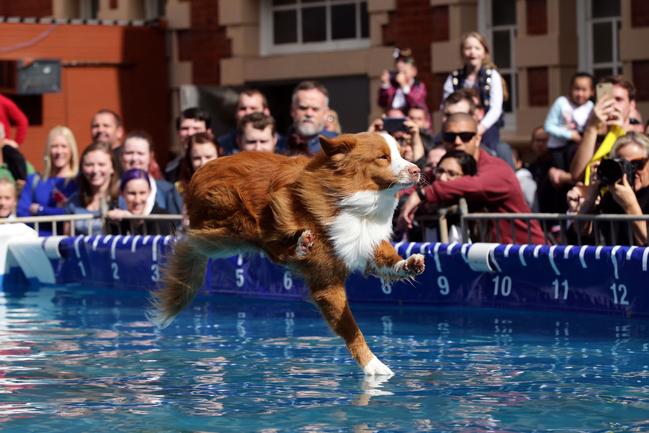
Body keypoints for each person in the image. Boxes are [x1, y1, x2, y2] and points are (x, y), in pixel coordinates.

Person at [398, 113, 545, 244]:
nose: (457, 141)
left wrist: (423, 194)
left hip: (527, 254)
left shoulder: (497, 168)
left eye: (465, 136)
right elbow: (416, 185)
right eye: (450, 136)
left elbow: (476, 185)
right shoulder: (443, 166)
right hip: (487, 259)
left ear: (477, 138)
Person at [567, 132, 649, 245]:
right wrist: (590, 198)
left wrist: (630, 206)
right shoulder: (611, 198)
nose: (631, 171)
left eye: (638, 164)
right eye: (623, 164)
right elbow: (579, 237)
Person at [442, 32, 505, 151]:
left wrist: (480, 129)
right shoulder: (454, 78)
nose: (472, 52)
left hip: (486, 129)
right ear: (462, 52)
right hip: (458, 128)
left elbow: (496, 109)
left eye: (477, 48)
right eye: (468, 48)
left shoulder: (492, 76)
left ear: (484, 52)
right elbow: (446, 105)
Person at [570, 76, 637, 184]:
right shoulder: (593, 137)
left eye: (619, 99)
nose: (612, 104)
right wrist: (591, 127)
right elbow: (576, 175)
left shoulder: (639, 137)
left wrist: (620, 133)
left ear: (632, 105)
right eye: (606, 99)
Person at [17, 126, 79, 235]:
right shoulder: (34, 180)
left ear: (71, 150)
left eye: (64, 146)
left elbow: (75, 212)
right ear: (48, 150)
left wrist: (40, 210)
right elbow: (22, 212)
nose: (59, 151)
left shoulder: (79, 180)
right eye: (54, 146)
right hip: (37, 243)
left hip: (66, 245)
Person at [439, 89, 514, 168]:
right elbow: (425, 180)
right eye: (448, 115)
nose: (457, 141)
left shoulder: (498, 157)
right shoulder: (432, 152)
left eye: (461, 115)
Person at [120, 131, 181, 214]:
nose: (134, 158)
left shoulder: (167, 191)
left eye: (140, 153)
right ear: (121, 156)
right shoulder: (112, 192)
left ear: (150, 156)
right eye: (129, 153)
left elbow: (176, 224)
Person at [66, 142, 119, 235]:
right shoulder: (73, 202)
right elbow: (66, 239)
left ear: (112, 168)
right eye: (89, 165)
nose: (95, 170)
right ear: (81, 168)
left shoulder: (121, 199)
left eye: (101, 164)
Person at [106, 168, 172, 235]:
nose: (137, 200)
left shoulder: (162, 218)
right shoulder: (116, 219)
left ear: (150, 192)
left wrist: (132, 221)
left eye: (142, 193)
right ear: (122, 193)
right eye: (132, 193)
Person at [284, 81, 336, 156]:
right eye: (303, 108)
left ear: (326, 113)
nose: (309, 114)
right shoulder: (276, 143)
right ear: (292, 110)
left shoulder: (336, 146)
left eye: (315, 109)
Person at [544, 72, 594, 150]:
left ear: (592, 91)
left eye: (584, 90)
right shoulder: (561, 102)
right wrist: (569, 135)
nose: (580, 94)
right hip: (558, 148)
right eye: (577, 89)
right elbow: (548, 126)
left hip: (580, 146)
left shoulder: (591, 106)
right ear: (570, 89)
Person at [164, 107, 212, 182]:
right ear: (178, 133)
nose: (190, 133)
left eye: (196, 128)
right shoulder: (171, 170)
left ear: (208, 132)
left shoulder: (225, 165)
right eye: (185, 128)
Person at [218, 89, 270, 156]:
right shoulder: (222, 144)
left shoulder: (283, 144)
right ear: (236, 112)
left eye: (253, 108)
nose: (248, 112)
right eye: (243, 108)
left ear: (266, 112)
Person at [378, 48, 427, 113]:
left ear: (414, 71)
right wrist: (385, 84)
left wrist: (404, 85)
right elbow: (382, 103)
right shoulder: (394, 86)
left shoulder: (418, 86)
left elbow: (416, 102)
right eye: (399, 72)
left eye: (404, 72)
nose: (400, 75)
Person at [176, 132, 219, 198]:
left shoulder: (231, 184)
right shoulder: (178, 190)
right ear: (189, 159)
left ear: (219, 156)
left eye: (208, 157)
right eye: (197, 158)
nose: (203, 163)